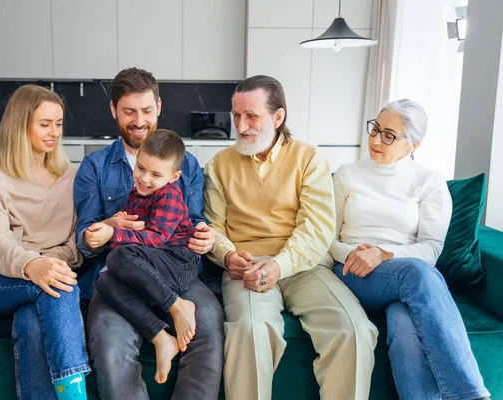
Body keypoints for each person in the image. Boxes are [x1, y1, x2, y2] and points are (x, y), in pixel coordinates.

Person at [204, 74, 378, 400]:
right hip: (247, 267)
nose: (241, 126)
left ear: (278, 116)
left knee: (354, 330)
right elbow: (213, 227)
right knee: (250, 331)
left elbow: (316, 228)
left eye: (251, 115)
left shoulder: (309, 159)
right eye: (236, 115)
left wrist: (279, 266)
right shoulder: (219, 165)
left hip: (305, 266)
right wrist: (227, 255)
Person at [74, 67, 224, 400]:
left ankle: (176, 310)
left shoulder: (186, 165)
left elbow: (196, 220)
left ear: (158, 106)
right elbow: (84, 235)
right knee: (111, 348)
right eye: (129, 111)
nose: (139, 120)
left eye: (146, 110)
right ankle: (162, 331)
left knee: (209, 329)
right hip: (119, 274)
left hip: (175, 271)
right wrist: (96, 235)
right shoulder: (94, 166)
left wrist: (206, 236)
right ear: (114, 110)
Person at [330, 99, 490, 400]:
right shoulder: (347, 174)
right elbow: (327, 237)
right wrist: (353, 255)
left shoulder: (429, 182)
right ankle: (469, 394)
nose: (376, 140)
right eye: (375, 129)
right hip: (353, 274)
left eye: (389, 135)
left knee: (404, 325)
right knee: (417, 274)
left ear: (413, 144)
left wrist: (385, 254)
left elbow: (430, 249)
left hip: (405, 277)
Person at [0, 84, 90, 400]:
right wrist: (33, 264)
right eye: (45, 124)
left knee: (34, 321)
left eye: (58, 124)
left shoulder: (72, 176)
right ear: (20, 125)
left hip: (47, 273)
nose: (54, 133)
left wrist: (49, 262)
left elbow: (76, 244)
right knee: (60, 285)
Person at [93, 129, 200, 384]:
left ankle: (178, 306)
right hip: (151, 266)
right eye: (140, 168)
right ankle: (161, 337)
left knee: (117, 257)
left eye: (155, 174)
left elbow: (156, 239)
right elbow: (138, 238)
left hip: (178, 262)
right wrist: (117, 223)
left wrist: (113, 233)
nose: (144, 178)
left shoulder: (170, 195)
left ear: (174, 177)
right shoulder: (135, 194)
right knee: (104, 281)